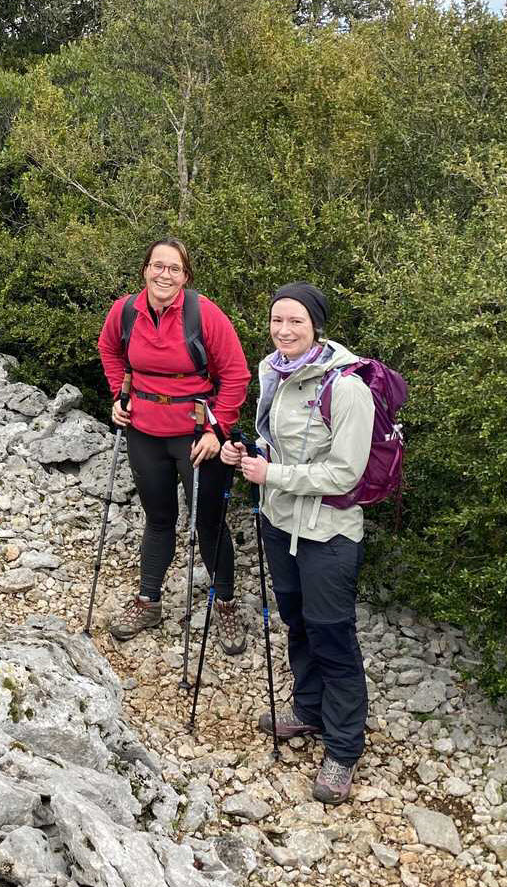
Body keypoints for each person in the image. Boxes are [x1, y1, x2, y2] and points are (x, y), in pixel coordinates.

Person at [219, 282, 372, 805]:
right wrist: (243, 455)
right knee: (296, 623)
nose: (284, 331)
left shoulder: (346, 388)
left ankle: (345, 747)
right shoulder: (273, 372)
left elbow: (347, 472)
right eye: (277, 321)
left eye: (296, 323)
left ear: (317, 327)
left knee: (332, 636)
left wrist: (272, 473)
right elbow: (270, 443)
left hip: (329, 532)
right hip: (280, 522)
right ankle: (308, 710)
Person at [96, 238, 251, 648]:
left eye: (174, 269)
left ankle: (226, 605)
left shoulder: (204, 314)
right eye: (157, 266)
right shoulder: (126, 311)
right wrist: (119, 395)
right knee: (159, 517)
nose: (164, 274)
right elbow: (109, 348)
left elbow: (236, 375)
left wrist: (218, 432)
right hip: (144, 430)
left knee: (209, 522)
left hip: (196, 434)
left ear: (186, 276)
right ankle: (149, 601)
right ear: (145, 269)